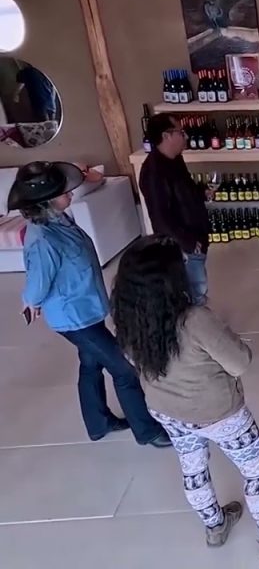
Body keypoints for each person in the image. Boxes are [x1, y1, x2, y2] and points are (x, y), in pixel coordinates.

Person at [110, 235, 259, 563]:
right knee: (255, 471)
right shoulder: (195, 319)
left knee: (192, 468)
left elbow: (133, 360)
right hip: (220, 413)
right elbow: (240, 362)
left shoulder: (126, 318)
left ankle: (215, 527)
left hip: (166, 410)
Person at [10, 161, 170, 447]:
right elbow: (38, 280)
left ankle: (98, 424)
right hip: (73, 318)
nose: (70, 194)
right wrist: (30, 301)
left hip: (86, 309)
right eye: (63, 193)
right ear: (46, 201)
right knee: (124, 369)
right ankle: (147, 432)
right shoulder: (43, 238)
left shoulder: (60, 220)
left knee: (90, 363)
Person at [139, 113, 211, 305]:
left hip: (196, 237)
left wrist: (202, 192)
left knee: (197, 286)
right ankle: (196, 320)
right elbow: (160, 219)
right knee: (194, 290)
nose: (186, 136)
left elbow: (185, 189)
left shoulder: (175, 160)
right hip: (184, 246)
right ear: (166, 136)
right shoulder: (154, 173)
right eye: (181, 132)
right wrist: (189, 243)